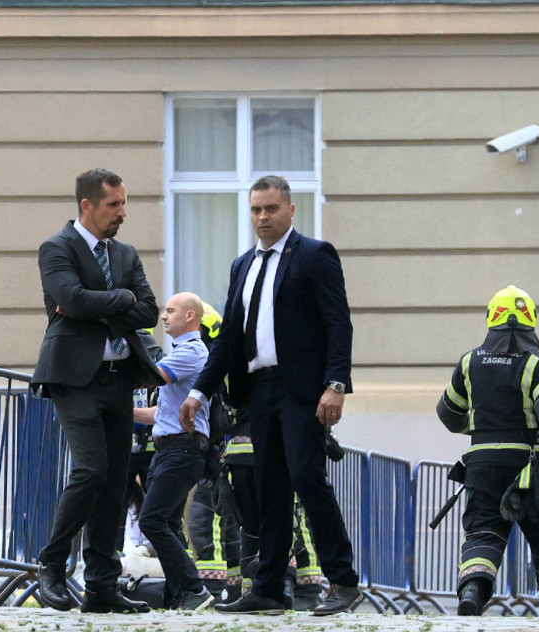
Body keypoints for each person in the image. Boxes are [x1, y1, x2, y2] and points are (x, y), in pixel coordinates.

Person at [179, 174, 361, 616]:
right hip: (258, 390)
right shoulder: (242, 265)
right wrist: (200, 392)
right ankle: (268, 589)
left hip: (303, 390)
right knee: (269, 488)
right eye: (256, 209)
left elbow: (339, 324)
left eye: (271, 208)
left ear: (290, 210)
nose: (263, 217)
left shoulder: (315, 256)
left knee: (306, 478)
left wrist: (336, 385)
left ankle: (344, 581)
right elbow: (227, 341)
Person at [33, 168, 160, 614]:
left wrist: (102, 305)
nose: (122, 213)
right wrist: (120, 300)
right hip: (74, 376)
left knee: (115, 481)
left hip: (120, 378)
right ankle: (50, 566)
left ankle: (102, 585)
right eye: (114, 205)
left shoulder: (124, 253)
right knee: (90, 471)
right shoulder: (56, 247)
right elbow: (71, 296)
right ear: (87, 205)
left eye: (125, 203)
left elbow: (147, 309)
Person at [436, 285, 539, 617]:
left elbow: (448, 413)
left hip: (482, 464)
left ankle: (472, 592)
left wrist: (478, 427)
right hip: (528, 468)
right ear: (531, 321)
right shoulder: (537, 365)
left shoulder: (469, 361)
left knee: (483, 532)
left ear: (492, 319)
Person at [132, 292, 214, 610]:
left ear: (190, 316)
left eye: (170, 311)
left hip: (181, 450)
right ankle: (179, 594)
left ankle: (194, 589)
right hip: (170, 448)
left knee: (152, 521)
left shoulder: (190, 352)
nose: (163, 317)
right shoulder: (181, 353)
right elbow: (161, 413)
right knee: (168, 523)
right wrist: (122, 413)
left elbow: (150, 374)